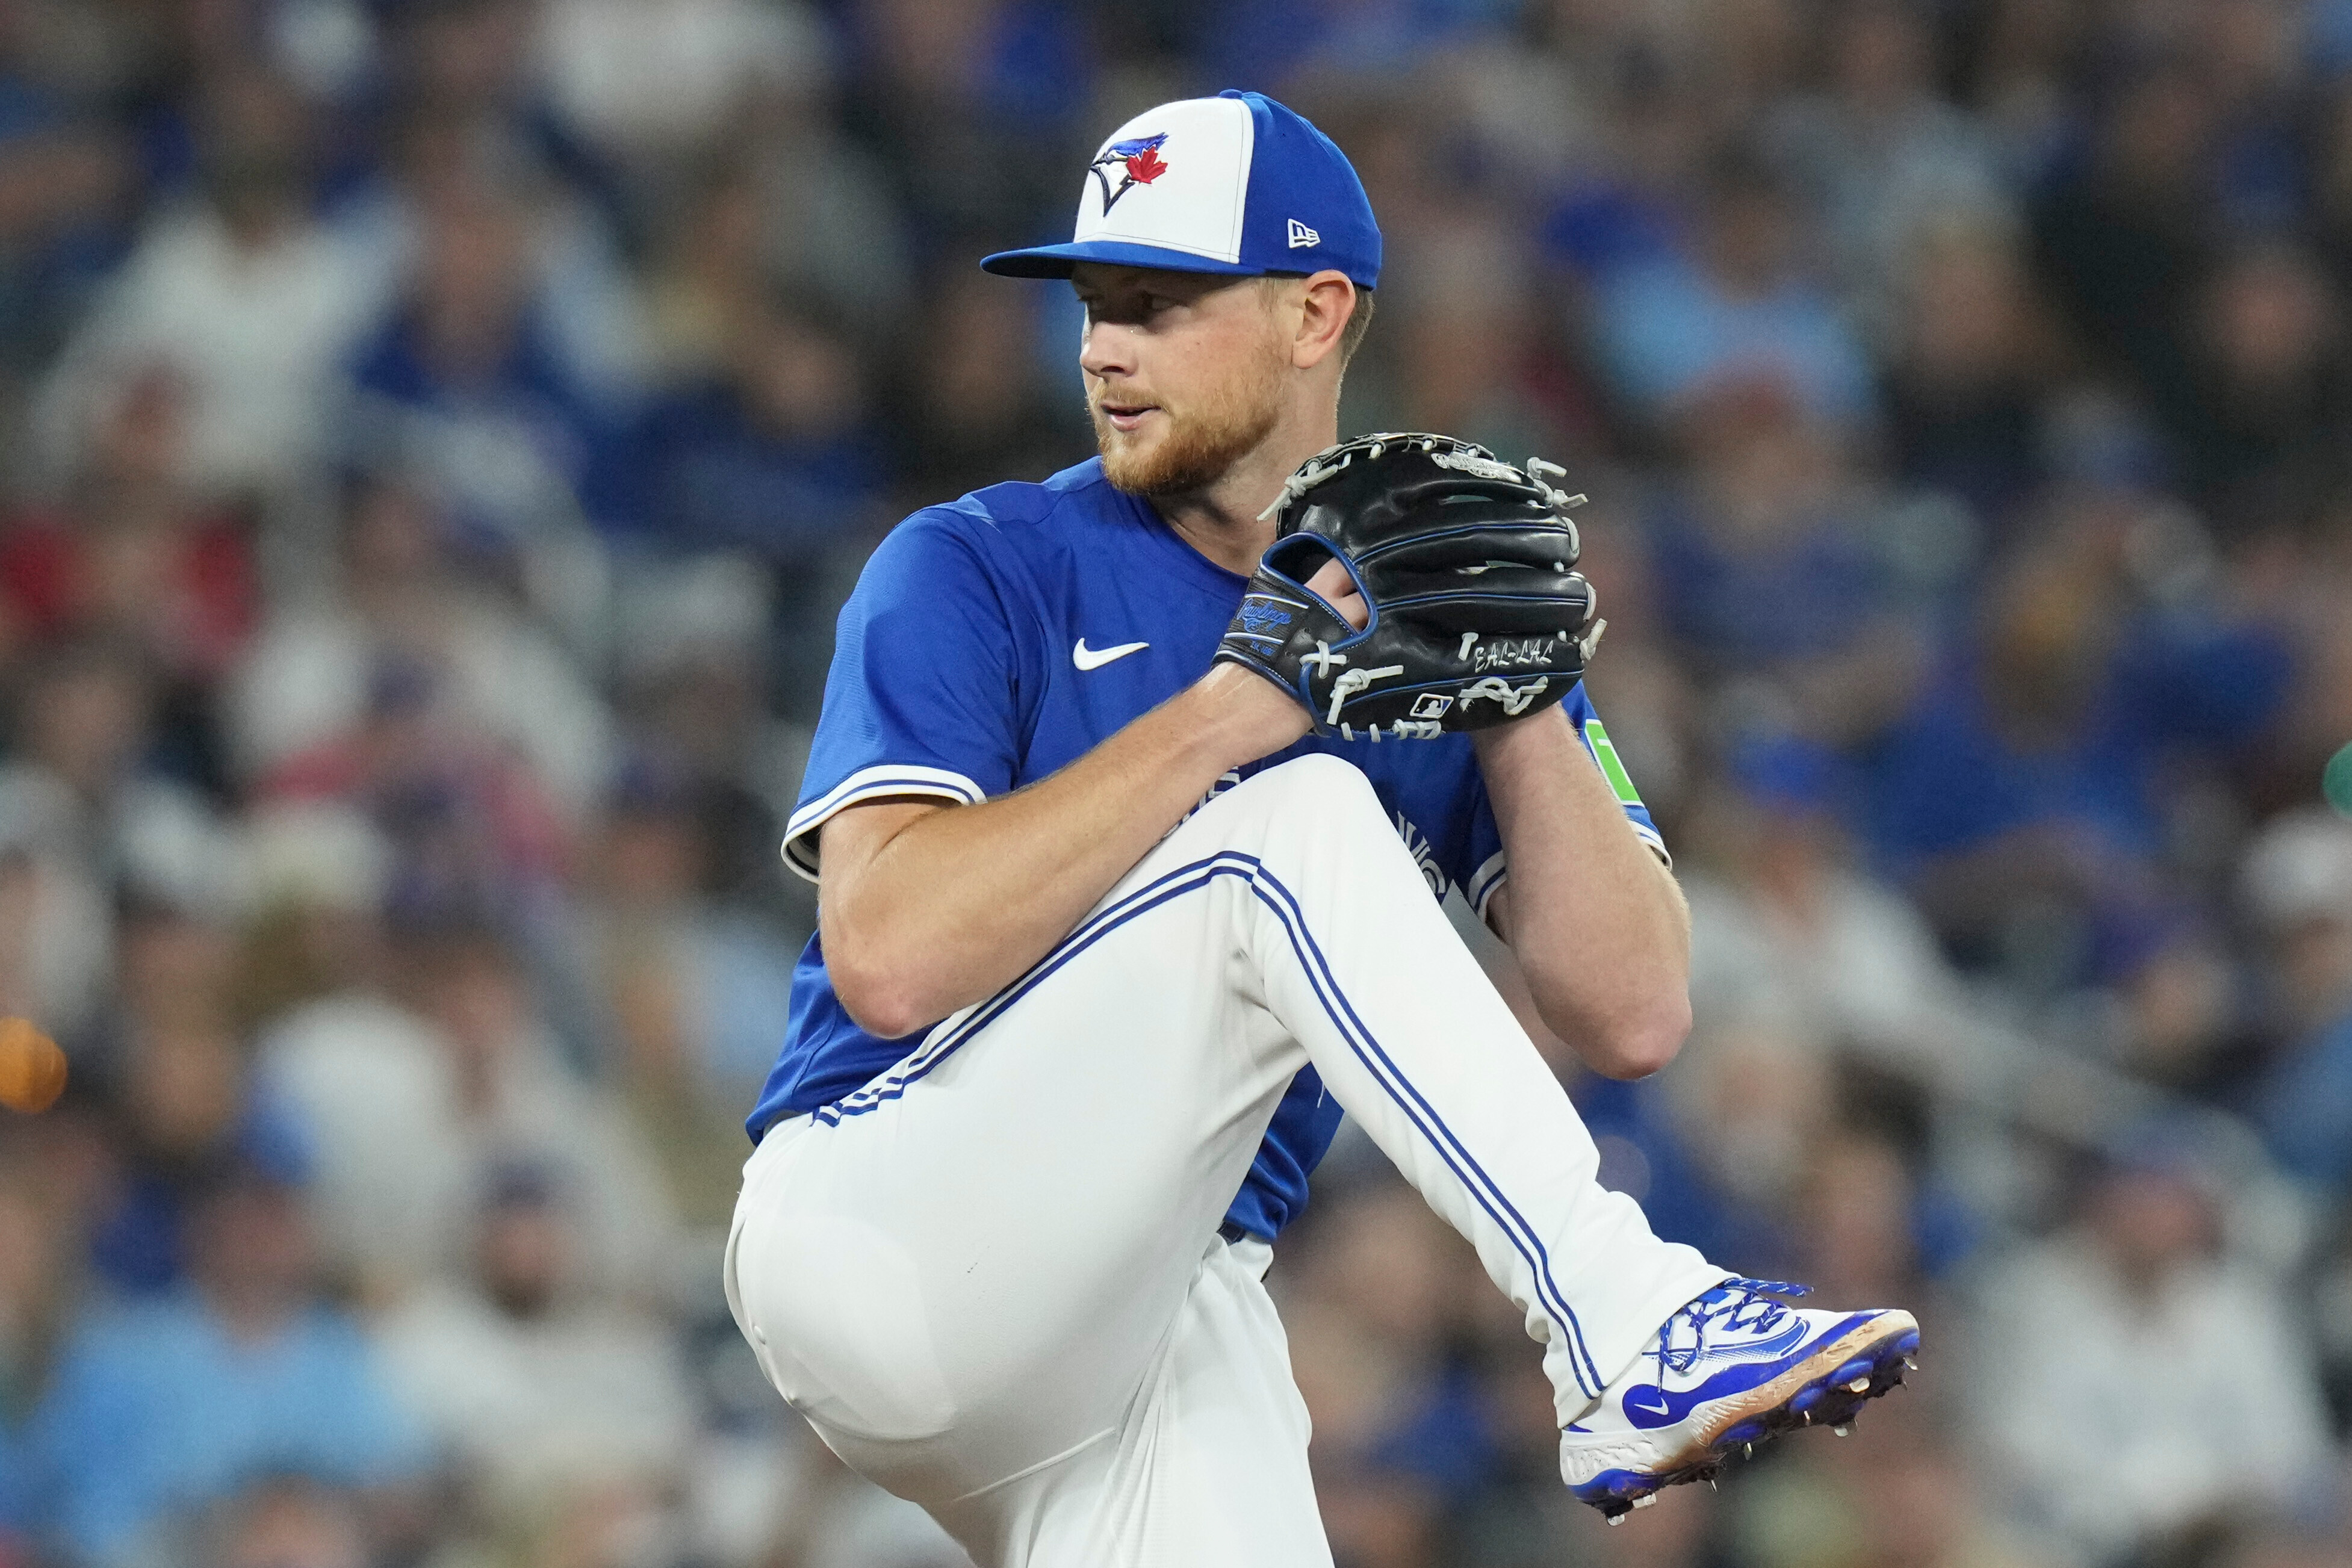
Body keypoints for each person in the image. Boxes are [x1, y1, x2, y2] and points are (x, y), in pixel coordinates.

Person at [725, 91, 1917, 1568]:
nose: (1102, 347)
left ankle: (1627, 1318)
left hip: (1155, 1320)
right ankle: (1620, 1310)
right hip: (880, 1216)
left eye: (1157, 304)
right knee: (1285, 817)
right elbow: (888, 959)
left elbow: (1636, 1012)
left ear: (1314, 314)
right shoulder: (975, 562)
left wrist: (1523, 693)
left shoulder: (1407, 616)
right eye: (1096, 304)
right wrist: (1236, 713)